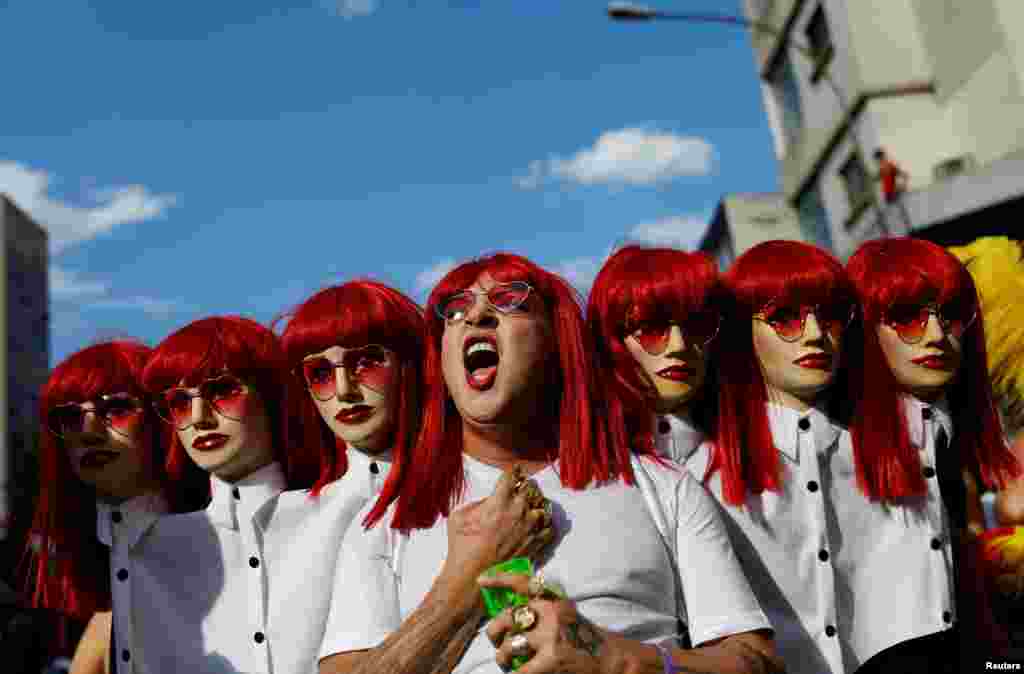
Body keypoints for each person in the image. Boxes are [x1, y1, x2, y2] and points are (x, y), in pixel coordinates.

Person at [319, 252, 781, 674]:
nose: (476, 314)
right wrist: (465, 579)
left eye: (509, 301)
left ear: (558, 343)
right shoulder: (387, 520)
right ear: (440, 359)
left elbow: (757, 661)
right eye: (454, 310)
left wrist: (618, 660)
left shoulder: (661, 487)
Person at [844, 237, 1020, 672]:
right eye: (906, 318)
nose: (936, 334)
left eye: (954, 316)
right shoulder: (834, 450)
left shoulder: (944, 431)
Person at [683, 240, 857, 674]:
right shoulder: (697, 478)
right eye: (785, 318)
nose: (815, 333)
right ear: (743, 331)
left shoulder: (887, 461)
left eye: (829, 313)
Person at [23, 340, 208, 674]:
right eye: (69, 416)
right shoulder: (110, 592)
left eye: (117, 409)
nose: (88, 432)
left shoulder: (219, 547)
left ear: (163, 416)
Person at [586, 245, 723, 464]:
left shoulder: (757, 462)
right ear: (610, 338)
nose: (679, 345)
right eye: (651, 329)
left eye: (698, 325)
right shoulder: (587, 464)